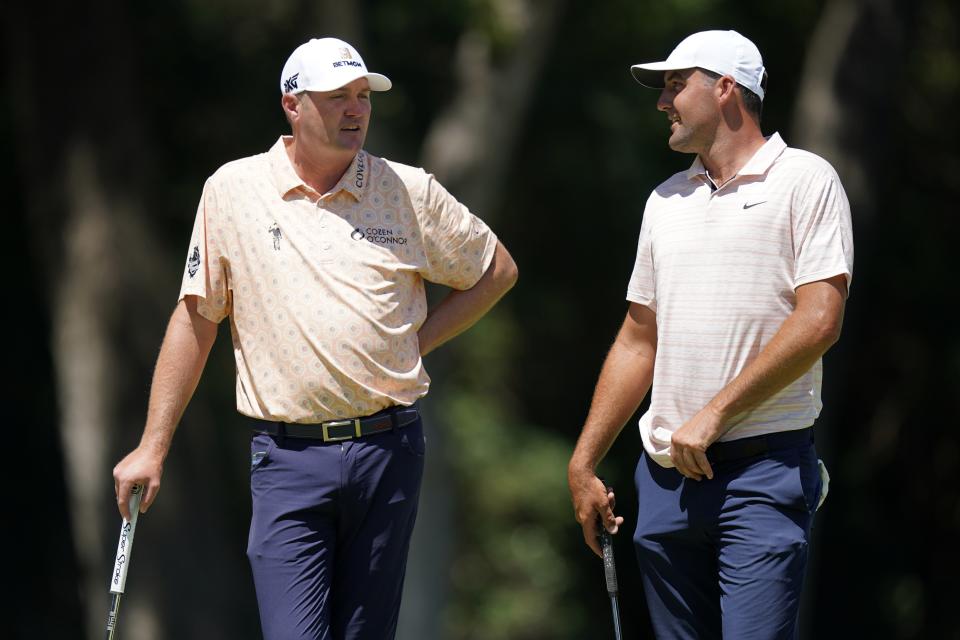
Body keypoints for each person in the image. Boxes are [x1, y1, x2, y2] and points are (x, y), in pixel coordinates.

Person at [113, 36, 517, 640]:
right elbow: (197, 317)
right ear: (292, 106)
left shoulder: (405, 190)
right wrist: (153, 445)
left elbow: (495, 271)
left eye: (362, 96)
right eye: (336, 97)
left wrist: (414, 343)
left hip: (390, 450)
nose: (356, 110)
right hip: (287, 458)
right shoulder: (234, 191)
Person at [567, 30, 853, 639]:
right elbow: (637, 341)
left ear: (726, 88)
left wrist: (715, 414)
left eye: (676, 84)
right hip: (667, 479)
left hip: (763, 472)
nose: (662, 101)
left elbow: (820, 319)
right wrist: (584, 461)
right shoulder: (665, 200)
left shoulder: (806, 179)